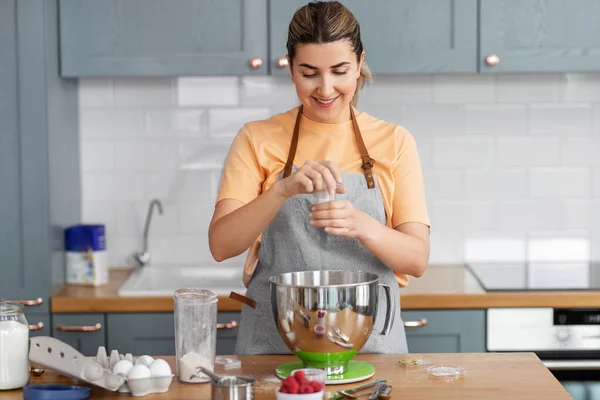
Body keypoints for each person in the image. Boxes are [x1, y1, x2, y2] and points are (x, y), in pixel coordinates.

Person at [209, 0, 430, 355]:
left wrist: (361, 225)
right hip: (274, 345)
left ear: (359, 64)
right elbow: (221, 245)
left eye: (339, 71)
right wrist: (280, 191)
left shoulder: (394, 142)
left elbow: (416, 259)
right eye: (309, 73)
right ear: (291, 69)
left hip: (369, 342)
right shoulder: (256, 138)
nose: (325, 89)